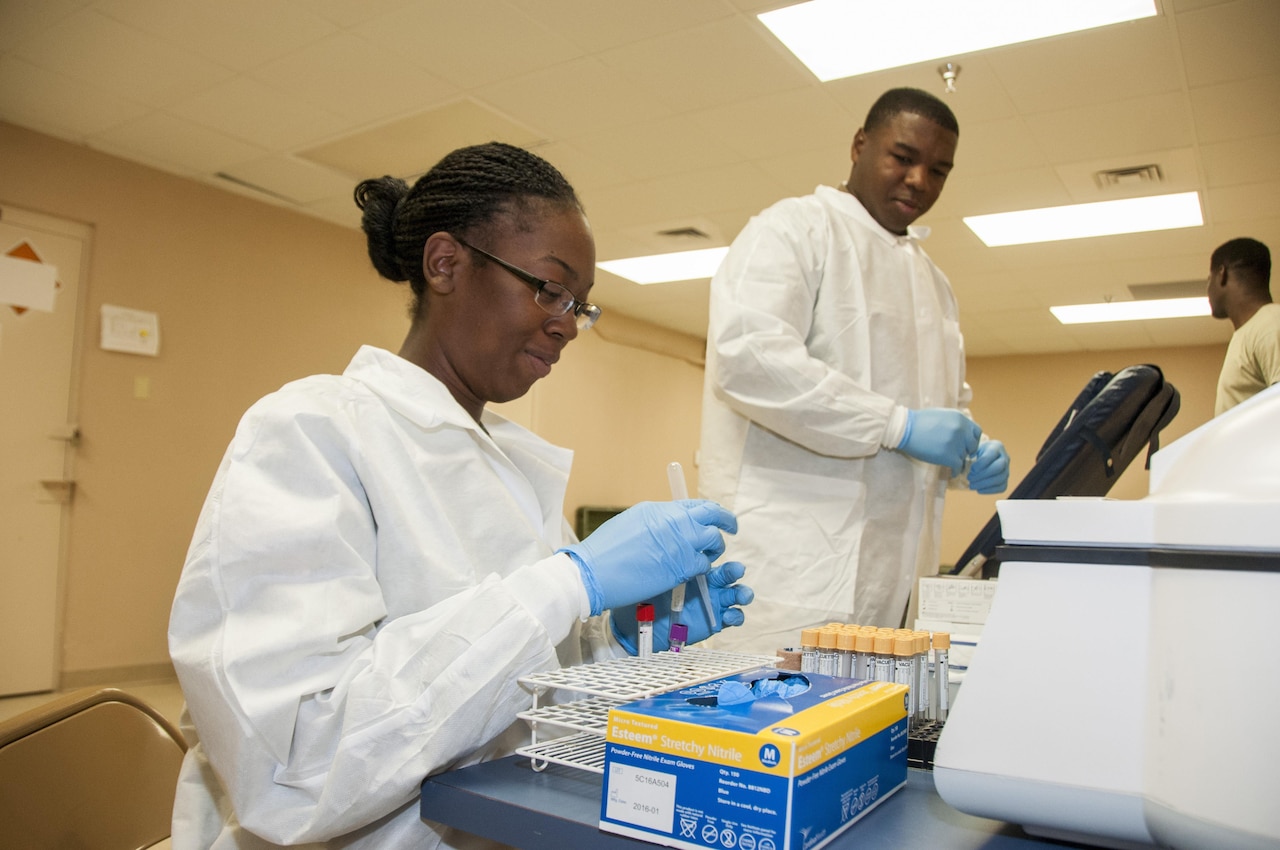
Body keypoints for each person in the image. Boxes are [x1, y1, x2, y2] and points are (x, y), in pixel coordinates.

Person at [167, 142, 753, 850]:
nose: (567, 323)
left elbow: (511, 697)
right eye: (548, 288)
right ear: (445, 264)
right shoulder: (311, 432)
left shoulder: (508, 468)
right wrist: (571, 582)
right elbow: (297, 763)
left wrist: (617, 644)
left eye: (580, 305)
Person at [699, 87, 1009, 653]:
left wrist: (969, 455)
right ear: (859, 144)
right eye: (903, 157)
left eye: (939, 170)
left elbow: (942, 411)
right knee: (767, 730)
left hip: (893, 585)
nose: (920, 180)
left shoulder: (934, 285)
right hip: (790, 574)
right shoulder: (795, 230)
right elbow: (746, 357)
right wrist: (897, 425)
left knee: (865, 734)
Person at [1208, 237, 1278, 415]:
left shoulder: (1271, 324)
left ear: (1221, 274)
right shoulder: (1248, 333)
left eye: (1209, 280)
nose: (1207, 291)